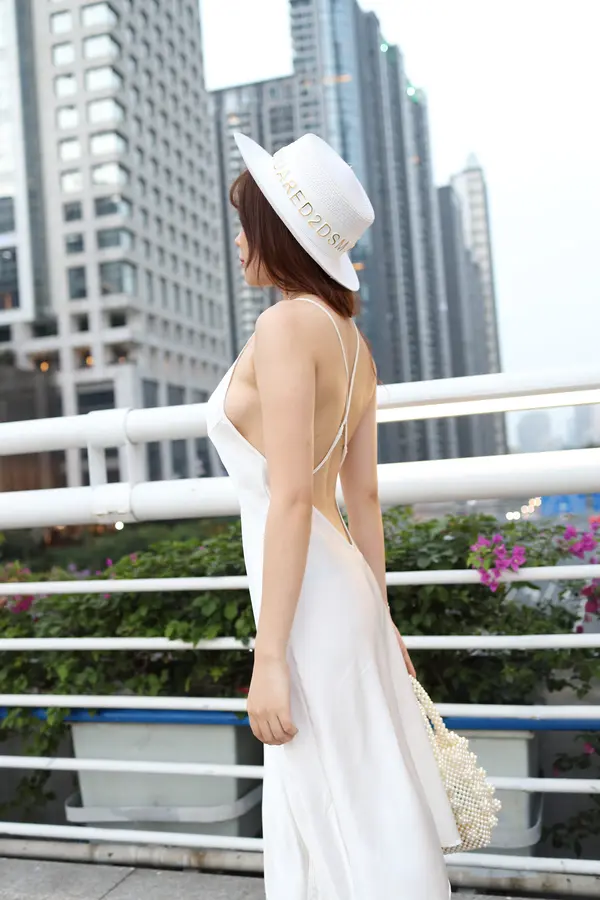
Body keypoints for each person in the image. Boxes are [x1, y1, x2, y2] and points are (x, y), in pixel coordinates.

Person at [206, 132, 460, 899]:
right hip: (339, 586)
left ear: (281, 231)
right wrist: (381, 614)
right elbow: (364, 498)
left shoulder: (285, 327)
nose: (239, 240)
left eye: (247, 224)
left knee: (328, 799)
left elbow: (290, 496)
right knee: (363, 795)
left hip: (308, 596)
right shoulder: (355, 345)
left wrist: (269, 659)